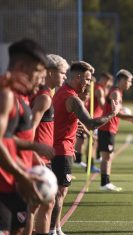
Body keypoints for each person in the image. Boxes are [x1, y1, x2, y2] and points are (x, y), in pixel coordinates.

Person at [50, 61, 121, 235]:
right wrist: (113, 113)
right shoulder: (72, 98)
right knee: (60, 192)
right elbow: (91, 123)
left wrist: (75, 127)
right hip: (61, 150)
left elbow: (63, 119)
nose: (89, 83)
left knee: (59, 192)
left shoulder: (62, 93)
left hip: (59, 148)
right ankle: (52, 230)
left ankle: (57, 228)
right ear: (77, 77)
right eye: (88, 79)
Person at [0, 39, 51, 235]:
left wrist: (33, 148)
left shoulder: (20, 98)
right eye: (38, 72)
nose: (41, 79)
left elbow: (7, 139)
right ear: (21, 67)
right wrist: (23, 176)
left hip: (15, 187)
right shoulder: (5, 95)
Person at [30, 54, 69, 235]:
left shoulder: (48, 95)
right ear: (51, 72)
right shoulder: (44, 98)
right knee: (39, 204)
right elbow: (29, 129)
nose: (65, 77)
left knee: (44, 202)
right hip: (37, 159)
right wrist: (35, 156)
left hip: (44, 158)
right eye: (63, 73)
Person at [98, 69, 133, 191]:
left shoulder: (118, 93)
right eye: (129, 81)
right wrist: (132, 117)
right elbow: (116, 113)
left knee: (108, 156)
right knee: (107, 157)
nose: (131, 84)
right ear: (122, 81)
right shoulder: (116, 93)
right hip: (107, 128)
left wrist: (131, 119)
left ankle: (106, 182)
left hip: (109, 128)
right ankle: (104, 183)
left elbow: (118, 113)